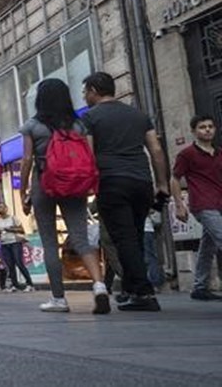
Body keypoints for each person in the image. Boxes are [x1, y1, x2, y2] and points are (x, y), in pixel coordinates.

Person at [81, 72, 169, 312]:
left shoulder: (90, 117)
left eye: (85, 92)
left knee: (124, 238)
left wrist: (88, 185)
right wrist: (161, 183)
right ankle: (130, 289)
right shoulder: (139, 115)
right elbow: (156, 150)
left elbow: (89, 154)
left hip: (111, 181)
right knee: (136, 235)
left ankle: (143, 292)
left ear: (94, 91)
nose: (84, 97)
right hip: (142, 182)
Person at [20, 77, 108, 313]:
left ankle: (59, 299)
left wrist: (23, 192)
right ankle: (99, 286)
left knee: (49, 241)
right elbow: (89, 156)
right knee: (81, 239)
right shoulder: (78, 125)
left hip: (44, 184)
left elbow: (26, 160)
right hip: (74, 184)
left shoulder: (32, 126)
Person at [171, 115, 222, 301]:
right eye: (202, 127)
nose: (207, 130)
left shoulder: (219, 153)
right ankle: (200, 286)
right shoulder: (187, 154)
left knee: (207, 246)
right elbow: (175, 179)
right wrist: (179, 205)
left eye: (210, 126)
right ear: (194, 131)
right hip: (203, 204)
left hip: (219, 203)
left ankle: (200, 287)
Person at [0, 203, 34, 292]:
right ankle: (15, 284)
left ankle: (29, 283)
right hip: (4, 243)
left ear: (6, 209)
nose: (1, 209)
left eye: (2, 207)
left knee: (19, 263)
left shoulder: (13, 218)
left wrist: (9, 229)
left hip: (15, 242)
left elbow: (21, 230)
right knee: (10, 265)